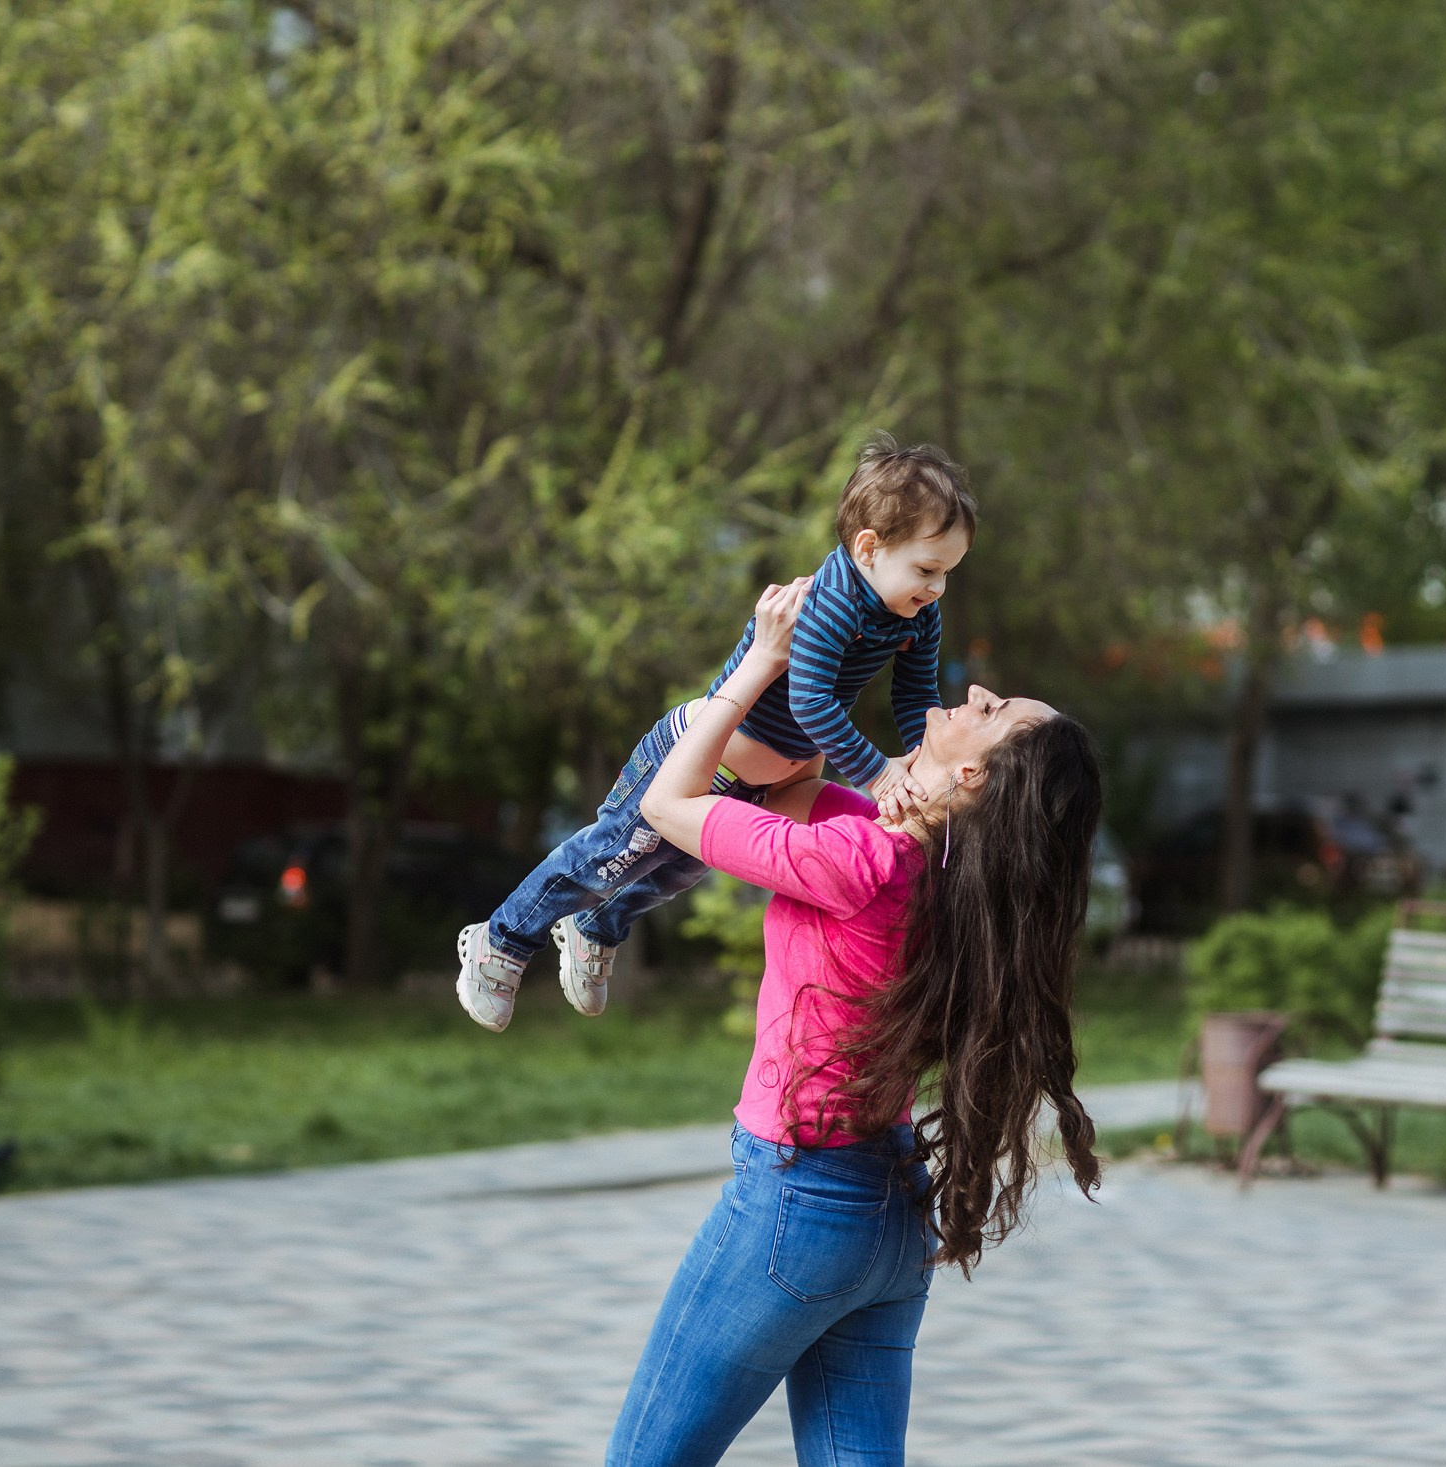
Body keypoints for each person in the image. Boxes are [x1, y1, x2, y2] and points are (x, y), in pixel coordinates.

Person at [603, 578, 1105, 1465]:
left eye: (992, 711)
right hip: (886, 1215)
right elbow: (792, 787)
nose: (976, 692)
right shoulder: (953, 883)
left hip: (796, 1201)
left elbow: (667, 804)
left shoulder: (856, 858)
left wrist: (763, 659)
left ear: (974, 773)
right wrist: (864, 746)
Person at [454, 439, 977, 1032]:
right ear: (868, 548)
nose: (936, 589)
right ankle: (500, 941)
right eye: (927, 570)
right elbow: (809, 703)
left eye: (947, 574)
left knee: (674, 875)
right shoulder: (829, 606)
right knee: (605, 859)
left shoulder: (915, 613)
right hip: (696, 759)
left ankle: (594, 929)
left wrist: (916, 757)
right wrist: (877, 773)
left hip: (755, 785)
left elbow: (915, 696)